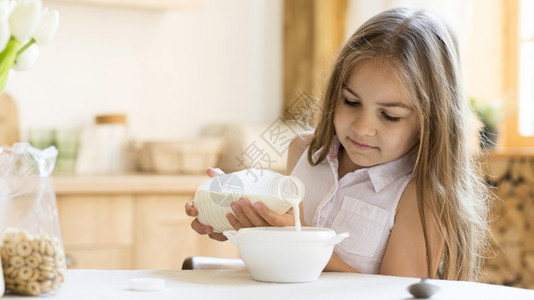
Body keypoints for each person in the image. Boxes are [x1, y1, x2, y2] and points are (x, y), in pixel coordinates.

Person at [186, 7, 490, 281]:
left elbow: (396, 293)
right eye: (351, 101)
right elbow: (283, 267)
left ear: (430, 121)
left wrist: (302, 243)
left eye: (389, 115)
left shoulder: (420, 194)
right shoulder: (305, 154)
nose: (362, 127)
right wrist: (238, 223)